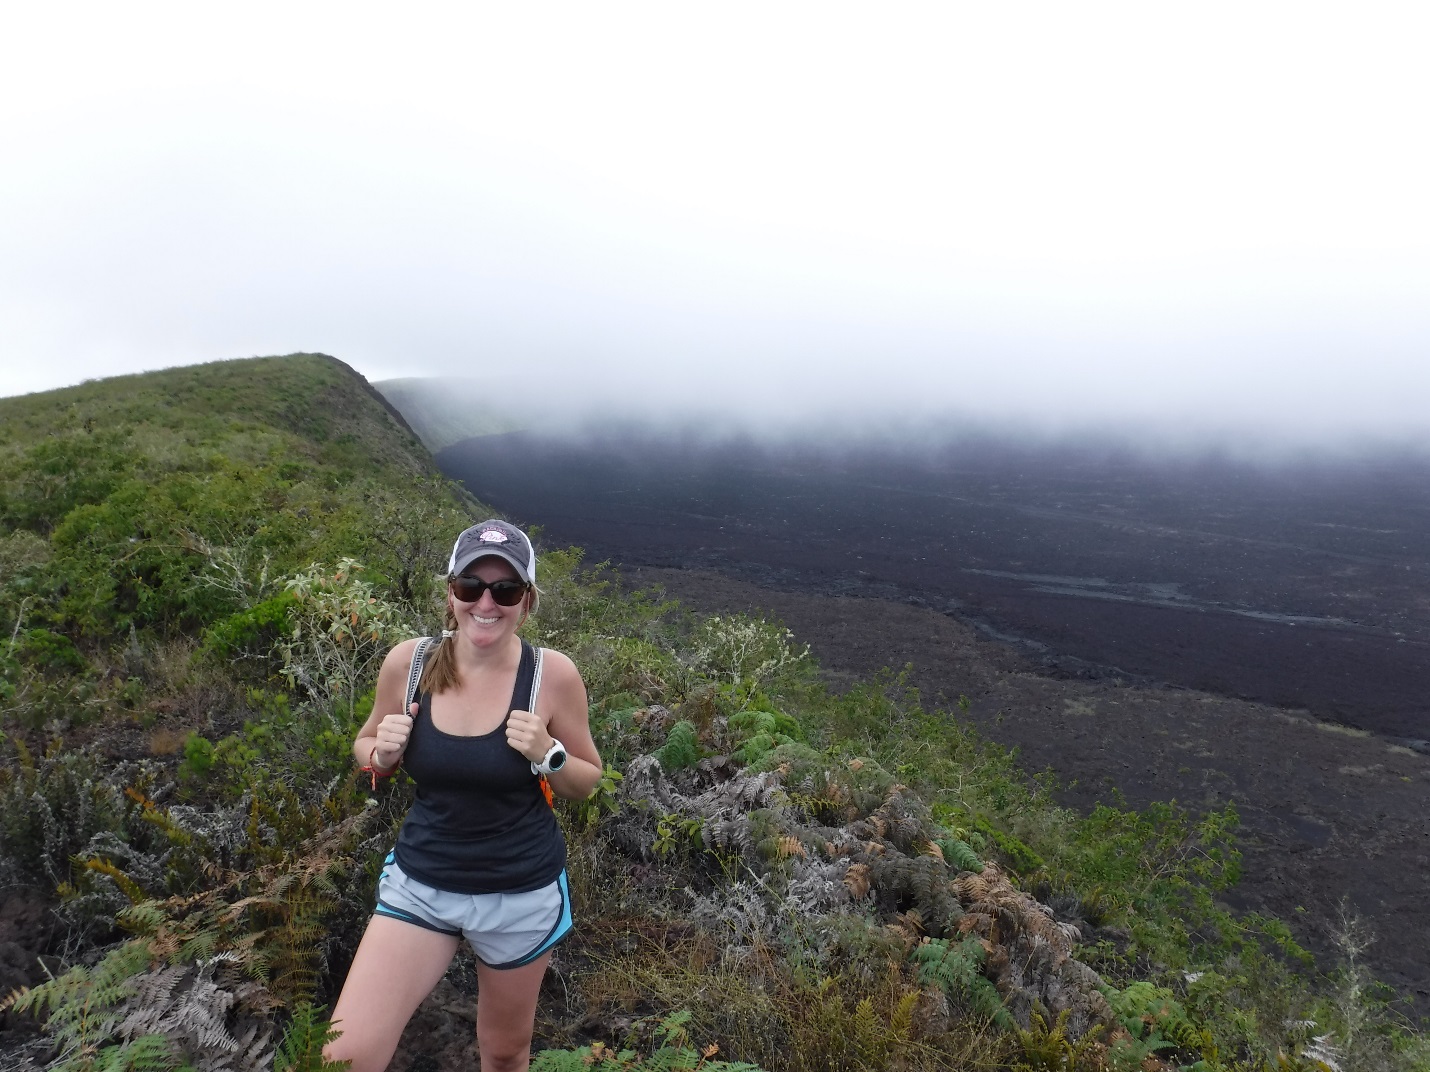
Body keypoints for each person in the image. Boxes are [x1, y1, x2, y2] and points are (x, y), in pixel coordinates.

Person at [326, 519, 603, 1072]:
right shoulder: (409, 664)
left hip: (520, 894)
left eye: (506, 590)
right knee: (344, 1057)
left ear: (527, 601)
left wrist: (548, 755)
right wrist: (380, 756)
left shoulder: (551, 676)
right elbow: (365, 744)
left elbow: (587, 779)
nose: (486, 603)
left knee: (504, 1054)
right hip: (422, 883)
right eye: (470, 586)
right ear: (450, 593)